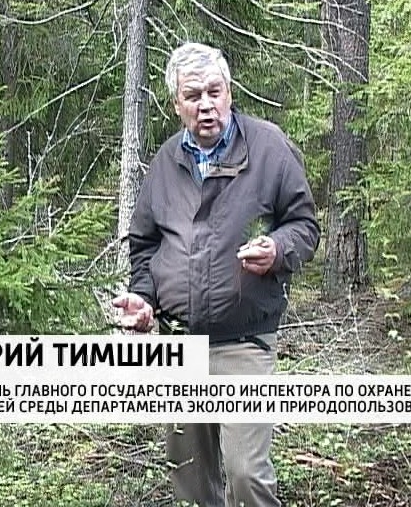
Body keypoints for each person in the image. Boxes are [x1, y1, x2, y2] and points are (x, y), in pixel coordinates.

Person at [112, 42, 320, 507]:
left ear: (229, 92)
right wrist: (144, 300)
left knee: (247, 475)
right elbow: (146, 245)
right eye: (193, 96)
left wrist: (278, 249)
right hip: (178, 342)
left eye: (214, 91)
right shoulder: (166, 162)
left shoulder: (268, 147)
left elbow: (305, 225)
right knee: (190, 479)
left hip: (244, 341)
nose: (206, 105)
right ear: (177, 104)